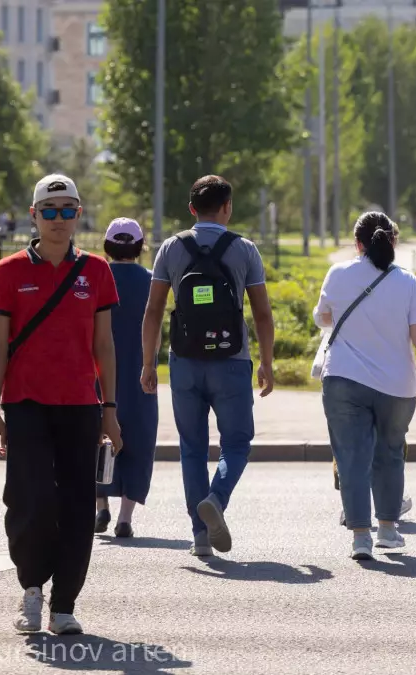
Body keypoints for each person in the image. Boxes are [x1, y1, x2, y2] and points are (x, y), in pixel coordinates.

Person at [0, 174, 123, 635]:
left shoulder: (97, 271)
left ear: (79, 215)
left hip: (81, 405)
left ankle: (64, 604)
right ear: (34, 215)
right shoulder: (8, 272)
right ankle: (31, 589)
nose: (59, 220)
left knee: (78, 505)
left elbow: (104, 346)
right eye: (50, 210)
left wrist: (111, 408)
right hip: (25, 405)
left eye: (68, 211)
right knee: (32, 500)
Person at [141, 175, 275, 557]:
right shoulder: (244, 250)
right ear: (227, 207)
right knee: (236, 443)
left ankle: (200, 536)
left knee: (192, 447)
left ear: (191, 210)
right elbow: (262, 314)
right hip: (232, 361)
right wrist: (266, 362)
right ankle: (216, 498)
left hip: (184, 362)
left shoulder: (170, 248)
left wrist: (148, 364)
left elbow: (153, 310)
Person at [314, 212, 416, 561]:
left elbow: (323, 317)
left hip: (343, 379)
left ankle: (360, 536)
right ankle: (387, 529)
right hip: (396, 386)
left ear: (357, 243)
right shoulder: (407, 282)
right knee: (389, 454)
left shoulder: (338, 274)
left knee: (351, 458)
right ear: (392, 242)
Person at [95, 218, 159, 539]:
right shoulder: (151, 281)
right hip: (140, 374)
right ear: (139, 246)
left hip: (98, 375)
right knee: (138, 442)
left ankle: (101, 506)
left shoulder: (95, 278)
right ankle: (125, 518)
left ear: (108, 247)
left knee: (95, 438)